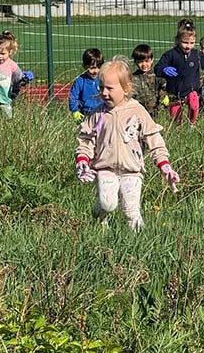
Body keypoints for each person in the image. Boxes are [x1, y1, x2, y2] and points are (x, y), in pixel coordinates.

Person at [74, 59, 180, 229]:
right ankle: (99, 218)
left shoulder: (137, 111)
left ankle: (137, 241)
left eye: (110, 88)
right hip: (105, 169)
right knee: (107, 203)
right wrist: (82, 160)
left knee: (131, 210)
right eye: (101, 87)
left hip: (132, 170)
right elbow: (86, 139)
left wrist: (165, 166)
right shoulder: (98, 114)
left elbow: (154, 140)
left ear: (126, 88)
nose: (104, 93)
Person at [154, 19, 204, 125]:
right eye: (185, 42)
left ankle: (192, 123)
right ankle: (178, 127)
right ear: (178, 40)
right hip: (175, 92)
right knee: (175, 117)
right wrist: (164, 69)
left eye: (192, 43)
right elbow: (158, 67)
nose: (188, 46)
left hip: (191, 90)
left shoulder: (197, 55)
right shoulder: (170, 54)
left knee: (194, 104)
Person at [130, 44, 166, 118]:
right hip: (139, 113)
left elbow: (165, 87)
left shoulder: (157, 75)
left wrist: (165, 96)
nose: (144, 64)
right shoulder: (133, 78)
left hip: (157, 111)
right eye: (140, 62)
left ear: (152, 60)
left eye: (146, 61)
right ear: (135, 62)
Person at [69, 48, 104, 122]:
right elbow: (73, 97)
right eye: (92, 68)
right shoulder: (80, 81)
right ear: (84, 66)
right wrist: (75, 111)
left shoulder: (103, 79)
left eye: (99, 67)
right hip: (85, 114)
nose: (95, 71)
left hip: (102, 113)